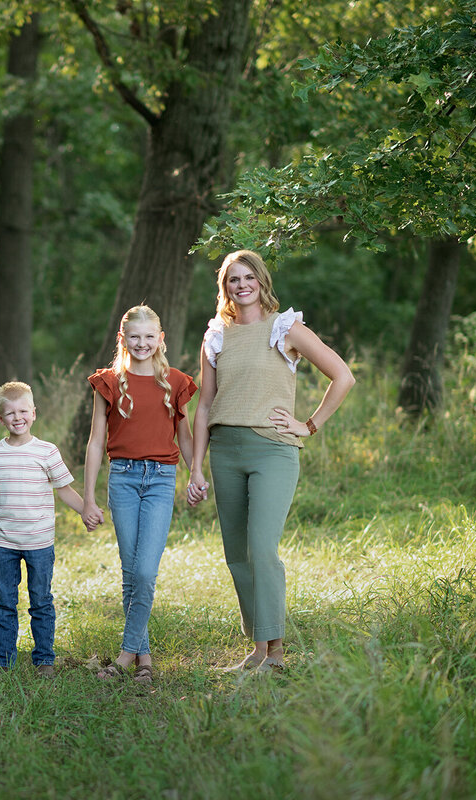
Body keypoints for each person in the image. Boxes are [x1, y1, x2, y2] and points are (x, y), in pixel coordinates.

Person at [187, 250, 355, 673]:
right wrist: (195, 466)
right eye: (232, 280)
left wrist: (309, 425)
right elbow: (204, 406)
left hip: (273, 451)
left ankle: (276, 655)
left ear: (261, 281)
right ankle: (259, 649)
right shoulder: (216, 336)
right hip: (225, 451)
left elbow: (343, 376)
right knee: (237, 555)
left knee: (262, 549)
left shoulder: (286, 329)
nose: (241, 286)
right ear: (224, 288)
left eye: (248, 278)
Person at [82, 305, 198, 684]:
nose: (142, 343)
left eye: (150, 337)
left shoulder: (175, 382)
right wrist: (88, 497)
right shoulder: (109, 382)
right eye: (135, 336)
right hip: (124, 479)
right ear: (123, 339)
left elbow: (184, 435)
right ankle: (143, 658)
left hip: (162, 479)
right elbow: (97, 441)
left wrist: (194, 472)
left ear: (161, 339)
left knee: (146, 569)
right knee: (132, 572)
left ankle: (125, 654)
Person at [0, 381, 86, 678]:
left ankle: (44, 660)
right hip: (4, 543)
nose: (18, 417)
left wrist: (85, 510)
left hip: (40, 542)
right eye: (10, 413)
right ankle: (3, 661)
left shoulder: (46, 452)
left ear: (34, 413)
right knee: (4, 602)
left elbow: (64, 489)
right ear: (0, 419)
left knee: (41, 600)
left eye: (23, 411)